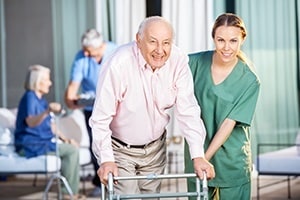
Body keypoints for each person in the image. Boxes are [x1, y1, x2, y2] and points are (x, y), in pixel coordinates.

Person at [89, 16, 215, 196]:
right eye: (153, 42)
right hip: (120, 150)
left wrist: (198, 155)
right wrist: (107, 159)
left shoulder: (178, 60)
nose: (160, 50)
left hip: (155, 150)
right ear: (138, 40)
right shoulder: (118, 63)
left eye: (166, 43)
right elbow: (100, 118)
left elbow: (188, 111)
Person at [184, 13, 260, 200]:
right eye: (221, 40)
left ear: (242, 39)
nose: (227, 47)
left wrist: (203, 158)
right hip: (196, 155)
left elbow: (228, 124)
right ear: (213, 39)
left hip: (231, 161)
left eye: (233, 41)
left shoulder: (250, 80)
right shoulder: (192, 63)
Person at [14, 65, 85, 200]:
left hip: (43, 142)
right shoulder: (29, 98)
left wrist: (66, 139)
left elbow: (51, 126)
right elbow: (30, 122)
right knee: (71, 151)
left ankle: (68, 192)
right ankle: (67, 194)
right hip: (30, 144)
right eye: (47, 80)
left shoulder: (41, 100)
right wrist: (47, 112)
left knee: (71, 147)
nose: (50, 83)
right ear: (37, 81)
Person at [64, 28, 118, 197]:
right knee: (97, 146)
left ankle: (120, 181)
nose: (86, 54)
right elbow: (71, 92)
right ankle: (100, 183)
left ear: (101, 46)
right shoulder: (82, 57)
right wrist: (74, 100)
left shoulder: (115, 52)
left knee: (118, 143)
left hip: (116, 108)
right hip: (93, 109)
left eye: (89, 51)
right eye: (84, 50)